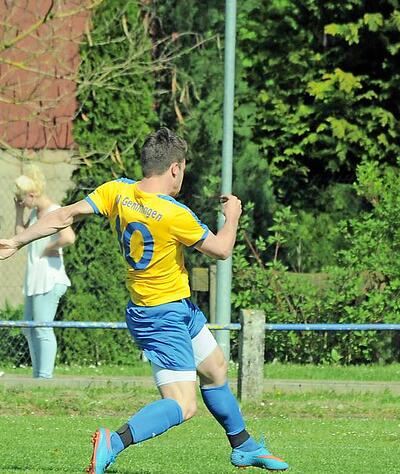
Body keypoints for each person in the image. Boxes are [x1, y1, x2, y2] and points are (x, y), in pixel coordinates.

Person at [0, 128, 288, 473]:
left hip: (177, 307)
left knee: (215, 369)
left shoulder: (117, 191)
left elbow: (63, 216)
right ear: (175, 169)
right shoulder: (174, 213)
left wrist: (18, 240)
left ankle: (243, 447)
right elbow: (222, 249)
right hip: (161, 315)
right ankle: (114, 441)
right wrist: (234, 217)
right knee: (182, 404)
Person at [14, 164, 74, 379]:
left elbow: (69, 237)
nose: (21, 201)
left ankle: (44, 378)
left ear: (32, 194)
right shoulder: (34, 214)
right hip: (35, 279)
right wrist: (19, 211)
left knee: (42, 328)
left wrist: (50, 248)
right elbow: (19, 238)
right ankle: (37, 375)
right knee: (29, 328)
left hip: (50, 279)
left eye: (22, 199)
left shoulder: (53, 211)